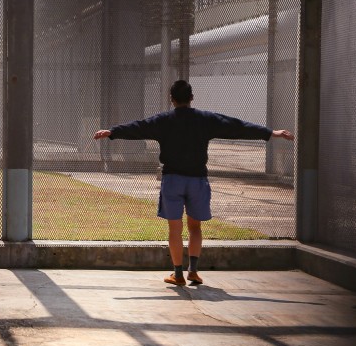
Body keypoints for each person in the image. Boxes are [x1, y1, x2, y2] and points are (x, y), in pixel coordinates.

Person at [93, 79, 294, 286]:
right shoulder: (205, 119)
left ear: (171, 99)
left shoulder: (164, 121)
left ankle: (178, 274)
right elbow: (236, 126)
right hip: (197, 180)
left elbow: (139, 127)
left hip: (172, 180)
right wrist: (270, 133)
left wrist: (113, 132)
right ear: (191, 98)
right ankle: (194, 272)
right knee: (195, 227)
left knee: (174, 228)